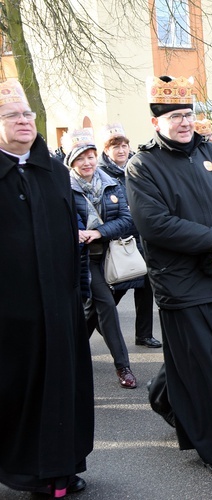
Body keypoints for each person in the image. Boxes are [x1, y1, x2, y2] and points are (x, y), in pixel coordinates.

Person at [126, 75, 212, 477]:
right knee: (200, 361)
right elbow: (155, 224)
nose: (185, 122)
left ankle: (165, 397)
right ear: (156, 121)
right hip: (178, 279)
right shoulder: (142, 165)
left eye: (188, 114)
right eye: (174, 116)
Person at [0, 79, 94, 497]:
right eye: (12, 116)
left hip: (58, 306)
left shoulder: (54, 170)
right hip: (9, 313)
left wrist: (78, 290)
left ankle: (59, 469)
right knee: (15, 391)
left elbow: (68, 234)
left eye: (27, 115)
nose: (23, 121)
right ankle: (19, 470)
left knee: (60, 388)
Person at [67, 128, 140, 389]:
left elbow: (126, 220)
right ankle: (124, 367)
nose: (87, 162)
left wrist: (97, 232)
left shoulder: (111, 182)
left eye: (90, 156)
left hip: (108, 255)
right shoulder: (65, 187)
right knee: (106, 306)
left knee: (92, 312)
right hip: (83, 259)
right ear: (72, 162)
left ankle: (70, 357)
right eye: (80, 158)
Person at [94, 123, 162, 348]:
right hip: (117, 240)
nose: (122, 150)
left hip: (141, 238)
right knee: (115, 287)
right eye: (116, 147)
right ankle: (89, 327)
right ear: (106, 150)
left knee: (145, 288)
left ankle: (143, 334)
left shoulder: (136, 166)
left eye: (124, 145)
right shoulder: (102, 173)